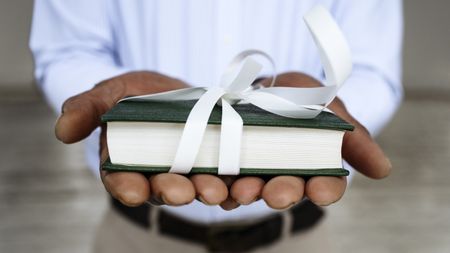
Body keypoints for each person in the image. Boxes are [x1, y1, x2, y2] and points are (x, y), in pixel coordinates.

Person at [30, 1, 403, 252]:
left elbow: (370, 67)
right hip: (138, 236)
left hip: (297, 236)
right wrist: (137, 111)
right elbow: (68, 50)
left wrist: (311, 124)